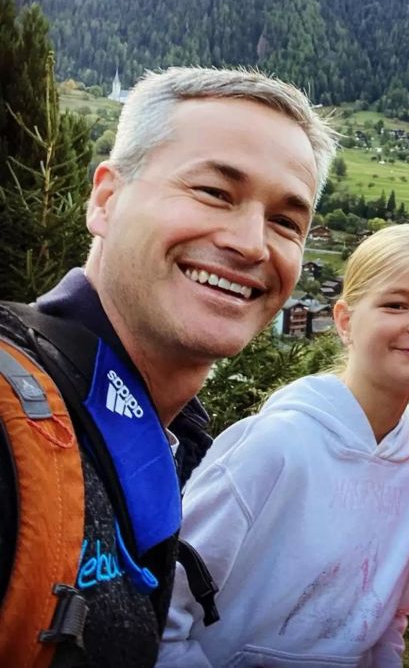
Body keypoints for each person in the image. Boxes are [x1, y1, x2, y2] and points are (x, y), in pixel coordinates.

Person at [0, 66, 337, 668]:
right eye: (213, 191)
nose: (252, 243)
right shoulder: (13, 415)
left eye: (286, 221)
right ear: (106, 200)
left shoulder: (178, 440)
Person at [158, 223, 409, 668]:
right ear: (345, 320)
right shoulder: (273, 446)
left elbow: (388, 623)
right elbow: (167, 605)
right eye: (396, 304)